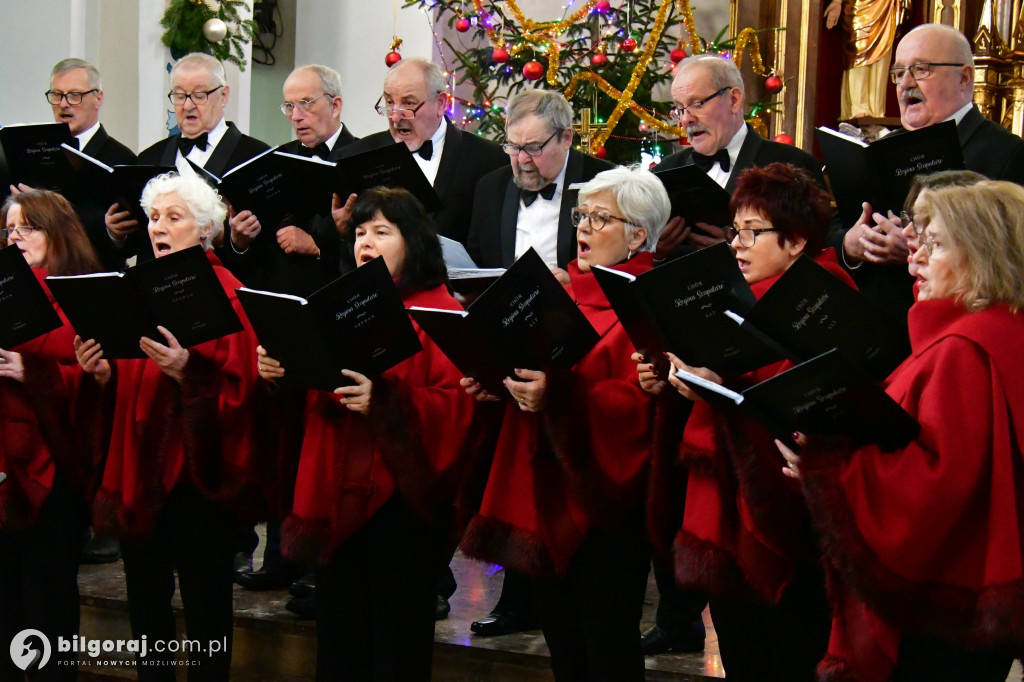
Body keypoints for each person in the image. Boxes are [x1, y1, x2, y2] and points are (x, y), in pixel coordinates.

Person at [779, 180, 1024, 682]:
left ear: (981, 253)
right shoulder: (1003, 328)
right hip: (978, 594)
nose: (914, 261)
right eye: (918, 243)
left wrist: (827, 469)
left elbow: (937, 484)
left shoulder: (963, 348)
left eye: (932, 245)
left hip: (943, 603)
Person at [638, 163, 856, 681]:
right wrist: (674, 382)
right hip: (728, 518)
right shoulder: (744, 296)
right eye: (735, 230)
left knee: (787, 656)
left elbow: (803, 405)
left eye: (752, 232)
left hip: (792, 522)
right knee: (743, 655)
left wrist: (721, 385)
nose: (737, 244)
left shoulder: (821, 298)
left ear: (797, 241)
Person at [261, 186, 477, 681]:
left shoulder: (440, 309)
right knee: (340, 645)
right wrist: (282, 373)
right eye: (360, 232)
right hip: (337, 500)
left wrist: (386, 405)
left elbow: (461, 407)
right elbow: (314, 391)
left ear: (414, 241)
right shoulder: (336, 306)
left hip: (404, 508)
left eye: (383, 231)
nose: (366, 242)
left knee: (397, 650)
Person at [460, 165, 666, 680]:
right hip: (542, 491)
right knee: (563, 644)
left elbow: (644, 408)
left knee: (606, 642)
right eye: (581, 216)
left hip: (606, 504)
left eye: (601, 218)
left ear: (638, 234)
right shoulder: (561, 294)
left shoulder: (651, 303)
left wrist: (560, 394)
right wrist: (496, 383)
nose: (584, 229)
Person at [74, 172, 261, 681]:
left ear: (203, 231)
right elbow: (128, 383)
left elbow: (245, 390)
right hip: (140, 471)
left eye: (173, 218)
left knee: (206, 615)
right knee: (146, 612)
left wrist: (189, 374)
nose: (158, 226)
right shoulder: (135, 288)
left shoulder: (231, 293)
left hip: (200, 480)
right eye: (154, 217)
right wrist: (103, 375)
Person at [463, 87, 613, 636]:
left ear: (568, 137)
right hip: (511, 343)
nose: (521, 161)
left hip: (582, 348)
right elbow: (480, 262)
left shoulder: (605, 183)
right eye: (512, 147)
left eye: (534, 148)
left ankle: (569, 591)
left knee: (563, 474)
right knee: (514, 471)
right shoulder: (490, 188)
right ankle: (516, 596)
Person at [832, 23, 1024, 336]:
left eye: (921, 69)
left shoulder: (1008, 154)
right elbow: (835, 229)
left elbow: (1009, 259)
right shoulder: (877, 150)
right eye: (899, 72)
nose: (905, 83)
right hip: (869, 332)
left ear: (963, 78)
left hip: (952, 335)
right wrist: (852, 245)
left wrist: (913, 249)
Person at [0, 190, 102, 681]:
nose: (16, 236)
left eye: (29, 226)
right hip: (3, 466)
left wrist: (33, 372)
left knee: (47, 602)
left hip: (56, 467)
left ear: (57, 232)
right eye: (10, 228)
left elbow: (102, 379)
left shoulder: (82, 292)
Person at [652, 54, 829, 260]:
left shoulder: (794, 166)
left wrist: (742, 251)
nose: (686, 119)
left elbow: (818, 252)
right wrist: (657, 254)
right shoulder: (665, 171)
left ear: (734, 100)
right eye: (680, 109)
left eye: (697, 104)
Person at [219, 64, 356, 295]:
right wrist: (239, 241)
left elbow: (381, 248)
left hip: (337, 299)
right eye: (289, 106)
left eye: (305, 104)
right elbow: (252, 253)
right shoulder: (274, 160)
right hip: (277, 297)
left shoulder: (360, 158)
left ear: (335, 105)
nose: (296, 116)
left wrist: (318, 248)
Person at [342, 58, 506, 247]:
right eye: (389, 103)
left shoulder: (489, 158)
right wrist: (342, 229)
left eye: (408, 104)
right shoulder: (357, 156)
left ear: (441, 103)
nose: (395, 117)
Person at [40, 59, 140, 273]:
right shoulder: (37, 152)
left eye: (75, 95)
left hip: (98, 280)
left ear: (98, 98)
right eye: (57, 95)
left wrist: (112, 233)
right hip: (41, 277)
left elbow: (133, 243)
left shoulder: (122, 158)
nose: (64, 104)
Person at [824, 0, 906, 119]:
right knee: (858, 52)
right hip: (858, 5)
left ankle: (876, 110)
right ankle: (857, 107)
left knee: (883, 48)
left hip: (884, 5)